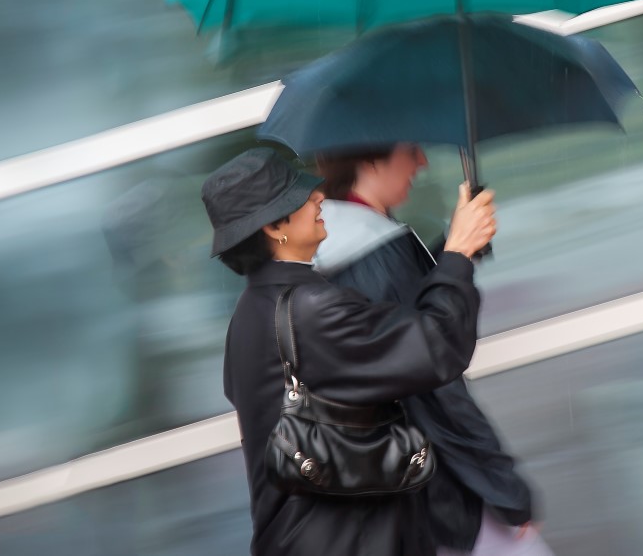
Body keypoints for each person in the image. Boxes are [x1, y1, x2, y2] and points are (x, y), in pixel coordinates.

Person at [204, 147, 497, 556]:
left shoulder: (252, 312)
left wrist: (450, 255)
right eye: (301, 197)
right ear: (274, 227)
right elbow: (436, 346)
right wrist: (458, 254)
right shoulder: (310, 309)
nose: (319, 197)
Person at [315, 144, 551, 556]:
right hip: (446, 494)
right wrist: (505, 488)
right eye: (410, 149)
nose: (422, 162)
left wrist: (456, 250)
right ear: (369, 158)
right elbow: (434, 383)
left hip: (405, 491)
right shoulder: (373, 252)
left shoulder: (344, 243)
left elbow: (408, 331)